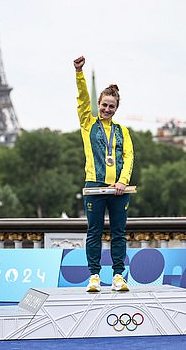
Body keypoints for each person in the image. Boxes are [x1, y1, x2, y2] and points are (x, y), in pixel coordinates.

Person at [74, 55, 134, 293]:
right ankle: (94, 276)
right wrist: (79, 73)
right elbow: (82, 99)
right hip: (95, 185)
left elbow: (129, 157)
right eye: (104, 105)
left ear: (116, 108)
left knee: (119, 232)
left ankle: (118, 275)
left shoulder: (122, 131)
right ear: (98, 104)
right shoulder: (88, 123)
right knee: (94, 232)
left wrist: (122, 181)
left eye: (111, 106)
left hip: (119, 189)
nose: (107, 109)